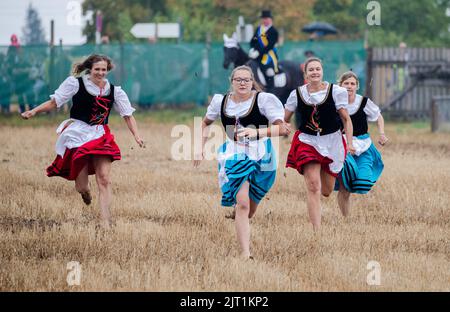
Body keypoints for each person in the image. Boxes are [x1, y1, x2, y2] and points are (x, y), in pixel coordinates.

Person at [21, 54, 144, 228]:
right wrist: (33, 111)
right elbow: (54, 103)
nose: (100, 73)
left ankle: (105, 222)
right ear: (90, 69)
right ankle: (85, 193)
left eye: (104, 70)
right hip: (78, 135)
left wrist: (137, 136)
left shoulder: (115, 91)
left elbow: (128, 116)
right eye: (97, 70)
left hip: (101, 134)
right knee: (82, 186)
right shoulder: (75, 84)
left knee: (104, 179)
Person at [194, 65, 290, 259]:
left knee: (250, 208)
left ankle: (241, 216)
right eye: (238, 79)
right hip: (234, 153)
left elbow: (284, 129)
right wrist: (199, 148)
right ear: (232, 81)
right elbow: (205, 122)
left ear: (252, 81)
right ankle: (246, 254)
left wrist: (257, 132)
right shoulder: (220, 101)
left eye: (247, 79)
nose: (243, 83)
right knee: (243, 203)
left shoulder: (264, 100)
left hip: (263, 152)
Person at [284, 57, 355, 231]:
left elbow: (346, 119)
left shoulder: (336, 91)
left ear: (322, 71)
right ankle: (317, 230)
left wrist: (350, 143)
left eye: (318, 69)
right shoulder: (297, 94)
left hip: (332, 141)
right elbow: (284, 119)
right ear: (305, 74)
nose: (315, 72)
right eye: (311, 70)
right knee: (313, 185)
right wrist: (278, 128)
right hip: (308, 140)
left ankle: (327, 173)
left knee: (326, 191)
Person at [335, 71, 388, 216]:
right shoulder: (335, 103)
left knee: (362, 183)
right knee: (344, 186)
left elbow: (378, 116)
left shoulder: (363, 102)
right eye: (346, 83)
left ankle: (354, 183)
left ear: (357, 86)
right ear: (340, 85)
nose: (349, 86)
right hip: (342, 147)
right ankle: (346, 218)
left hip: (363, 146)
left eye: (352, 84)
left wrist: (382, 133)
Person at [249, 10, 279, 92]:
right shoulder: (259, 29)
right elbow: (254, 40)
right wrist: (253, 48)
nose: (265, 20)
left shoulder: (273, 31)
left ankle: (271, 89)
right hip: (257, 55)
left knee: (269, 70)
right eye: (263, 18)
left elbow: (270, 45)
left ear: (270, 19)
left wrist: (259, 52)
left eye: (266, 18)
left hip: (269, 55)